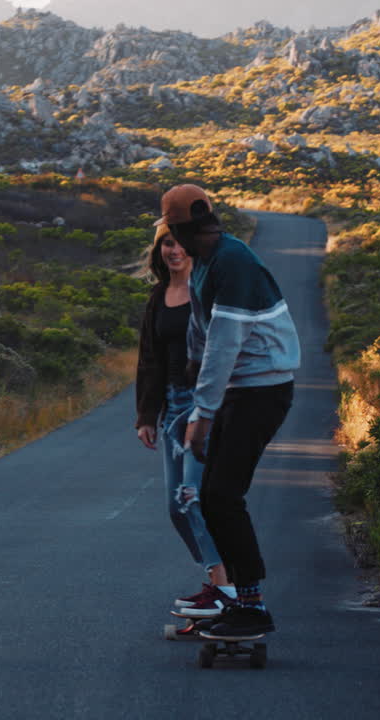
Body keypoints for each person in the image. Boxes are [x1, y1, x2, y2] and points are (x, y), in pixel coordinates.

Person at [157, 184, 299, 636]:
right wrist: (192, 390)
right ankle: (233, 595)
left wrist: (202, 414)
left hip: (262, 391)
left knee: (221, 496)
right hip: (241, 391)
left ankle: (251, 606)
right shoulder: (208, 262)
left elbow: (224, 344)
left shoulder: (233, 261)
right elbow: (201, 336)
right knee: (213, 496)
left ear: (177, 226)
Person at [134, 225, 233, 619]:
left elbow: (226, 347)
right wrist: (146, 415)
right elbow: (149, 359)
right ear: (159, 250)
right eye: (166, 243)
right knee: (177, 508)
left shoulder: (207, 290)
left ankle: (225, 587)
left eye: (179, 243)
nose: (174, 250)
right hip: (172, 407)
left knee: (192, 497)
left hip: (204, 406)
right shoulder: (158, 296)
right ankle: (217, 582)